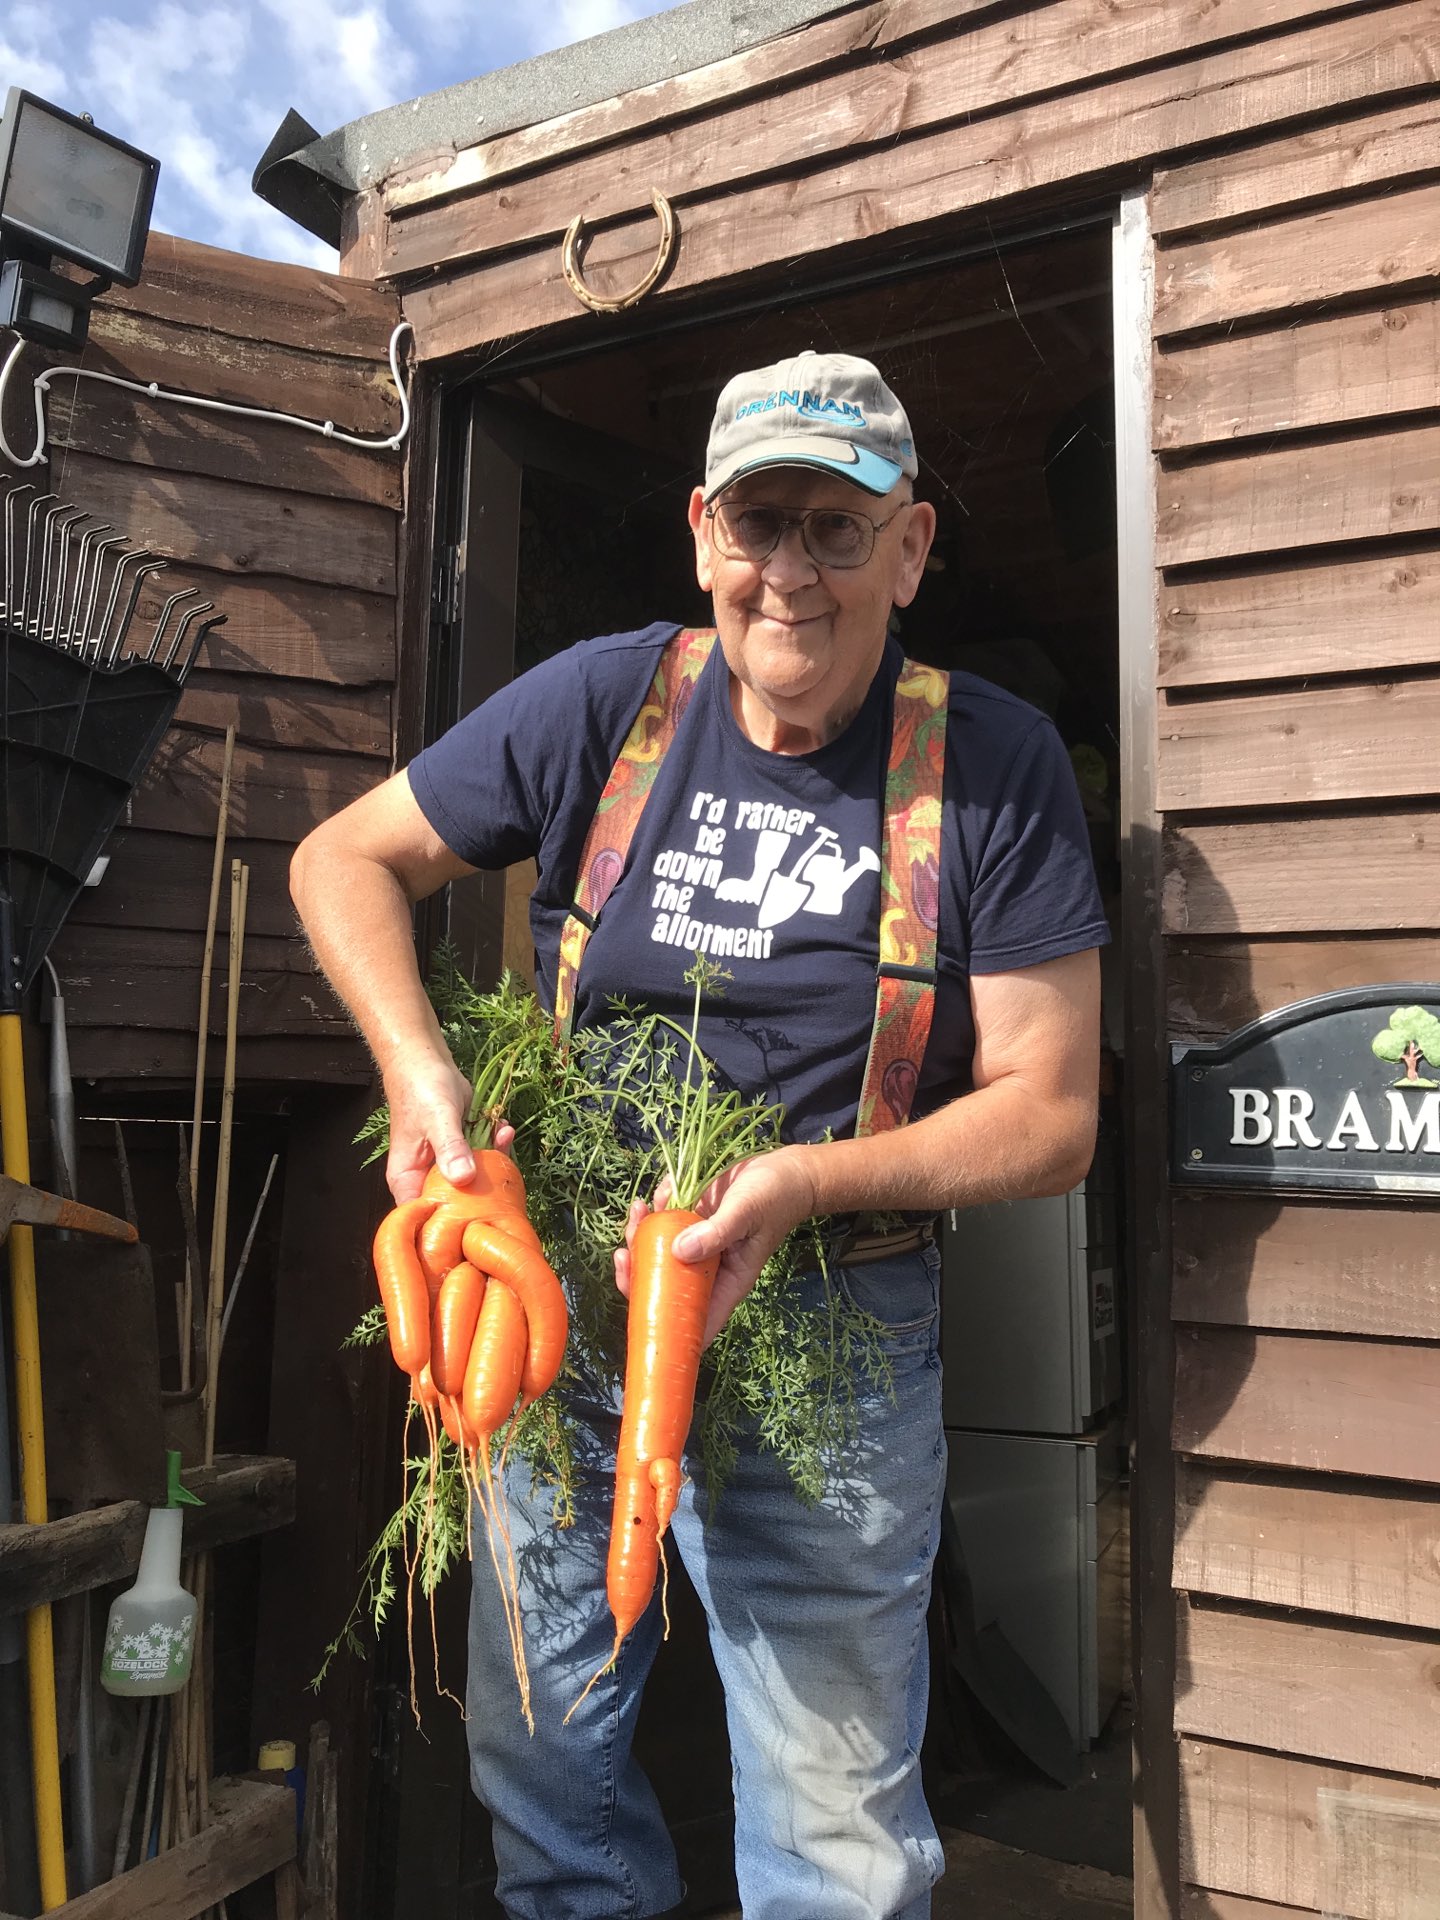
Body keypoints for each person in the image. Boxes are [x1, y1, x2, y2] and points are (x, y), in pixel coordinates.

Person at [291, 349, 1106, 1920]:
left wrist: (804, 1183)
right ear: (701, 533)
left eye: (837, 528)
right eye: (757, 523)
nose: (787, 573)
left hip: (840, 1322)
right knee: (546, 1765)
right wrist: (418, 1072)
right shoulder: (612, 699)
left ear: (913, 548)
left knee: (835, 1823)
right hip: (566, 1317)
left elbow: (1053, 1115)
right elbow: (342, 862)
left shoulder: (988, 767)